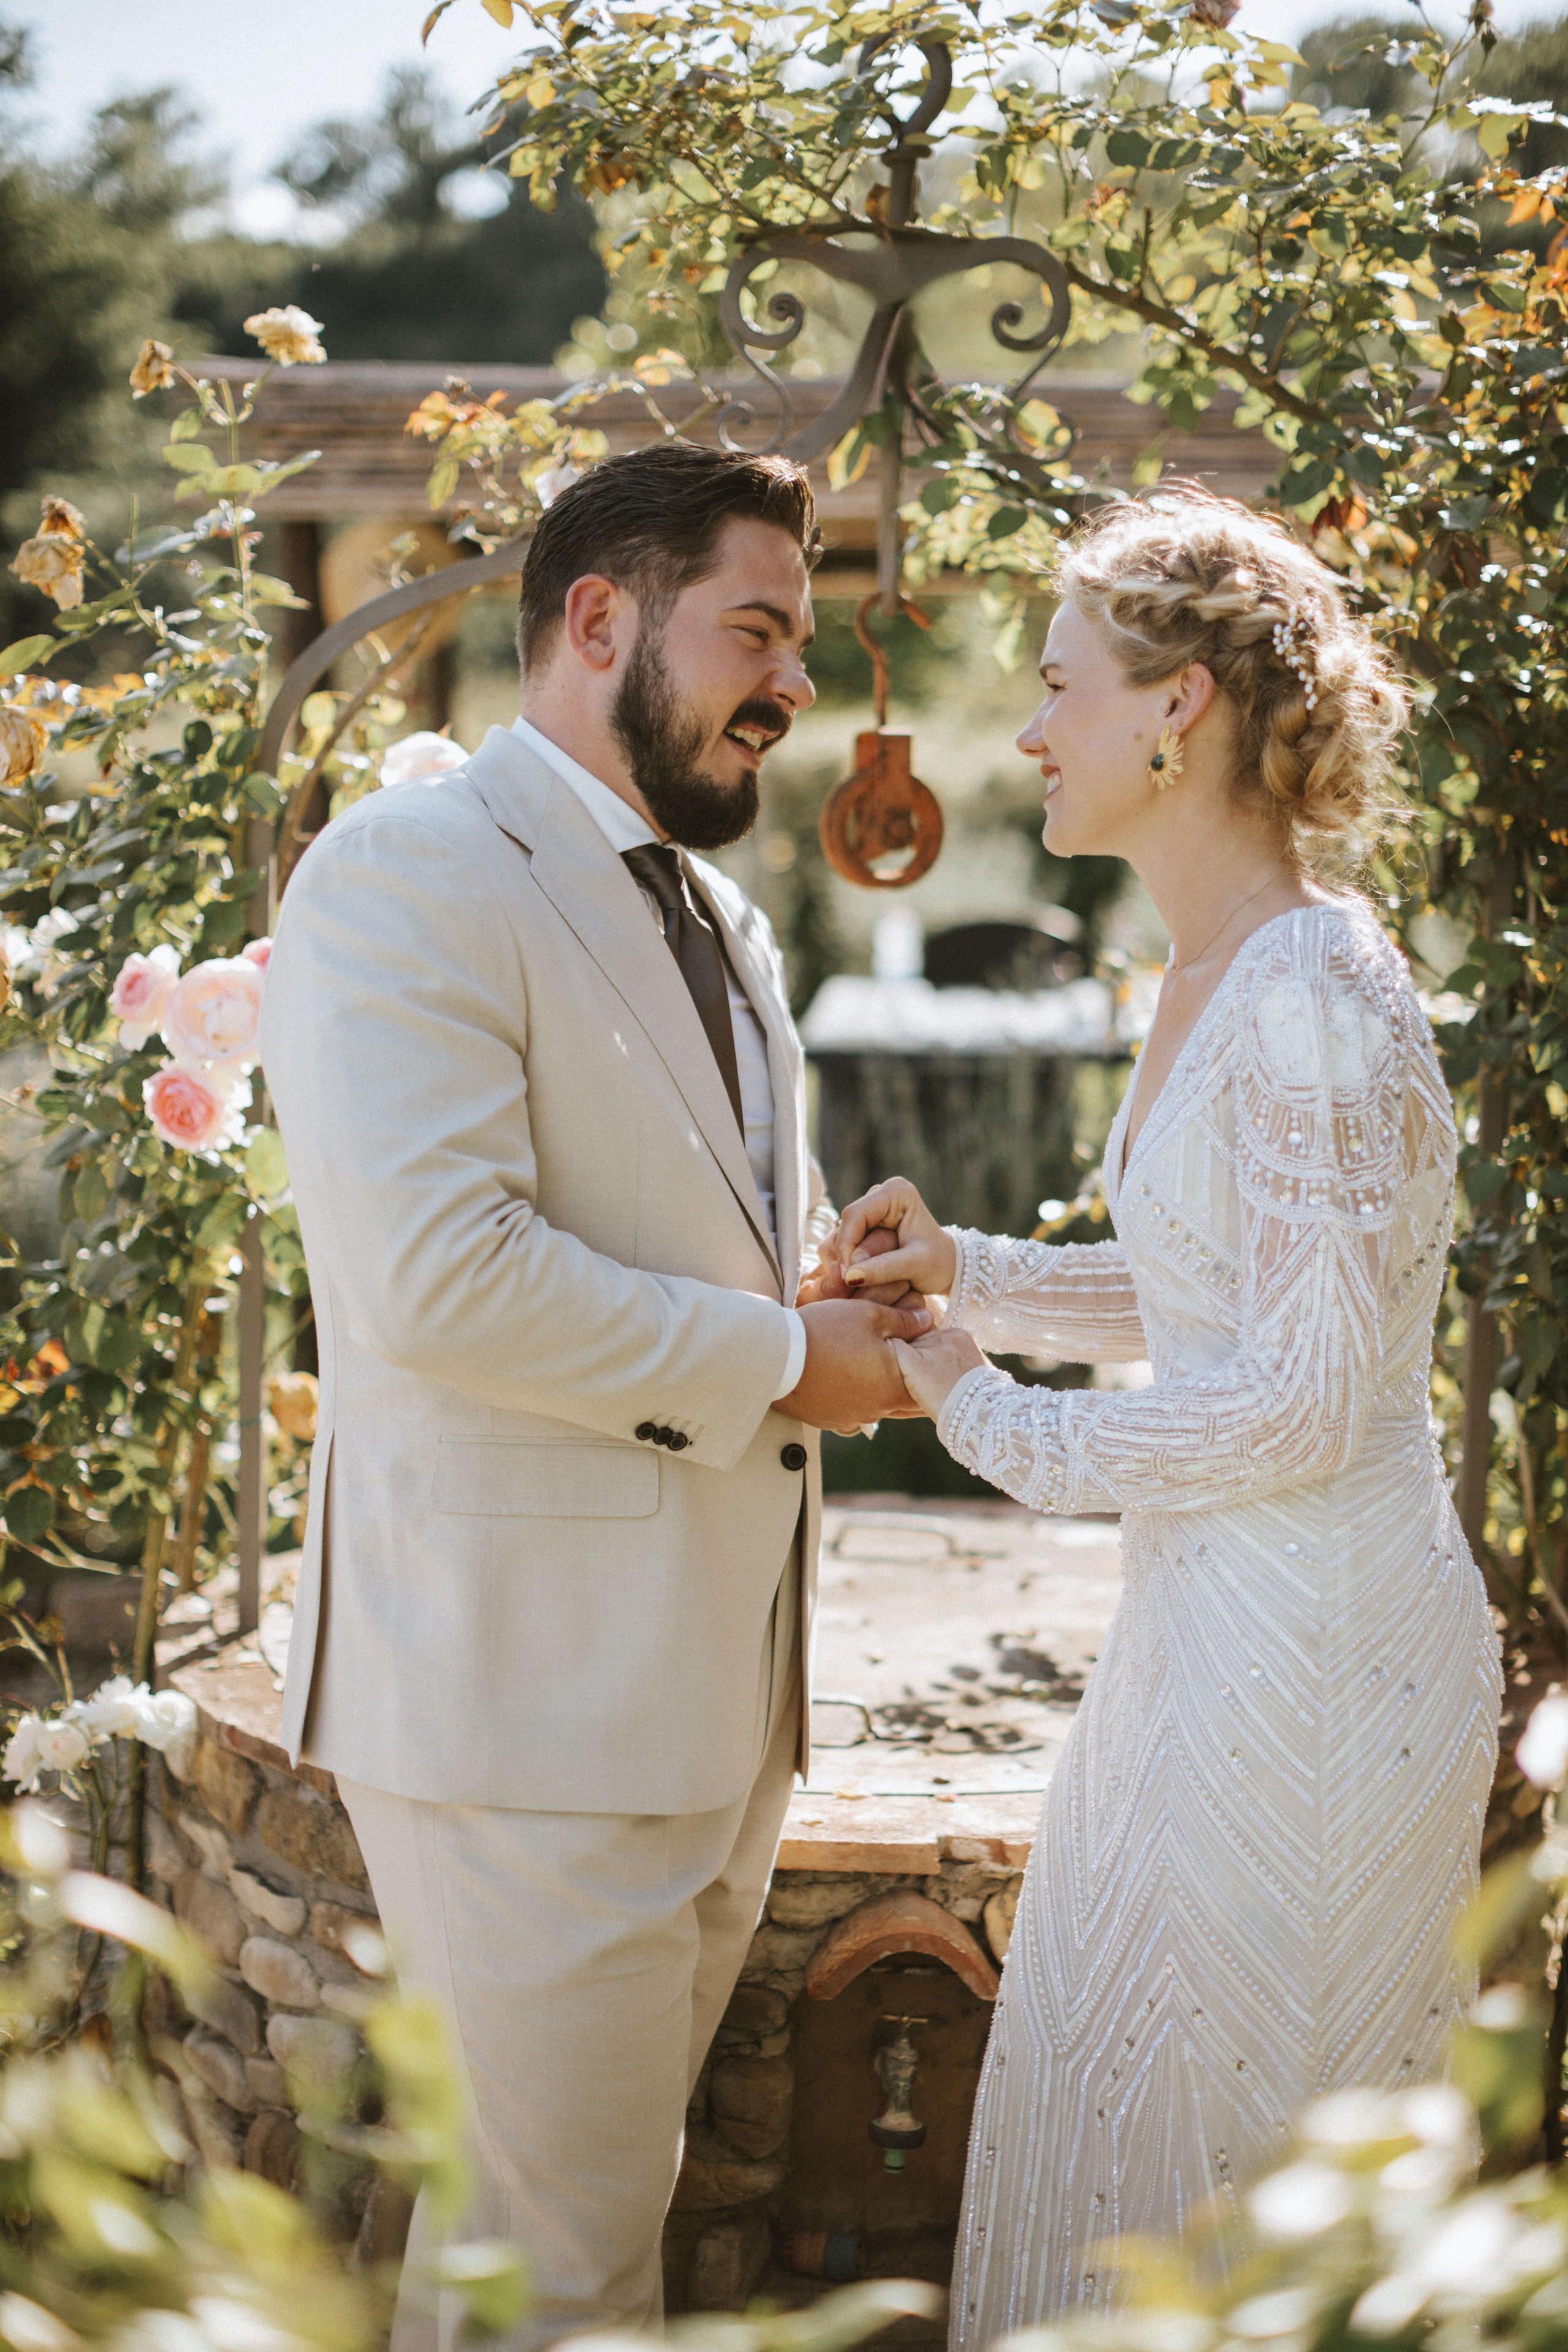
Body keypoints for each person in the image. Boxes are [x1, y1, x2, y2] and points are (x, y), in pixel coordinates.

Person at [258, 442, 927, 2351]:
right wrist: (789, 1358)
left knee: (554, 2260)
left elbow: (684, 1229)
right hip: (520, 1702)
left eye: (801, 639)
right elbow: (441, 1278)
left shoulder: (725, 919)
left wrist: (823, 1275)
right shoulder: (407, 871)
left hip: (709, 1708)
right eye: (760, 629)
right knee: (556, 2284)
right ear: (599, 618)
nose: (794, 684)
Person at [826, 490, 1502, 2336]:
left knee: (1241, 2173)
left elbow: (1302, 1395)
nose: (1029, 733)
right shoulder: (1207, 969)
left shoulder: (1312, 999)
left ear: (1177, 705)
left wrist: (981, 1414)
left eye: (1058, 686)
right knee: (1116, 2123)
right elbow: (1225, 1291)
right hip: (1213, 1633)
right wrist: (963, 1269)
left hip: (1329, 1664)